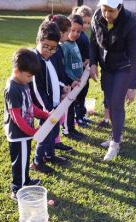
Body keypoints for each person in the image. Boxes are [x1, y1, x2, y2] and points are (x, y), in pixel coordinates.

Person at [90, 0, 136, 161]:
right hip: (107, 67)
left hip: (124, 67)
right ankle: (115, 135)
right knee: (108, 102)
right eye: (104, 9)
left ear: (120, 7)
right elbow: (93, 41)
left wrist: (132, 86)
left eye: (111, 11)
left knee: (116, 103)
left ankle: (115, 143)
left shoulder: (130, 22)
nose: (106, 15)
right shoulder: (97, 16)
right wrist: (93, 63)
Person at [4, 48, 50, 201]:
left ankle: (26, 181)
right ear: (17, 71)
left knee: (25, 158)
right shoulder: (13, 88)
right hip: (19, 135)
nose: (31, 79)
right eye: (29, 76)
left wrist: (44, 114)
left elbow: (30, 107)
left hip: (26, 132)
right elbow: (16, 116)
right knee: (19, 162)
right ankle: (17, 189)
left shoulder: (24, 83)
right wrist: (31, 131)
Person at [30, 21, 70, 174]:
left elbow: (53, 78)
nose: (49, 51)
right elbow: (37, 88)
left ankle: (50, 155)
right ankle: (37, 161)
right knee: (45, 134)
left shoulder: (49, 58)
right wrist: (47, 109)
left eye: (53, 48)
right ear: (38, 40)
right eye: (46, 46)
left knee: (53, 132)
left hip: (53, 105)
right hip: (44, 108)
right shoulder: (35, 60)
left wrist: (62, 87)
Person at [44, 14, 74, 152]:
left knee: (59, 118)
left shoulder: (59, 48)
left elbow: (62, 70)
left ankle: (56, 141)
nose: (69, 34)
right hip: (53, 91)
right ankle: (47, 150)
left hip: (61, 88)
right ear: (61, 33)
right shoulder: (52, 51)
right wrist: (62, 87)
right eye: (68, 32)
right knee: (53, 120)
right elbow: (53, 73)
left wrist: (66, 84)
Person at [60, 14, 85, 140]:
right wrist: (70, 80)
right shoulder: (64, 45)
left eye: (78, 31)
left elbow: (74, 61)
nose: (75, 33)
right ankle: (67, 130)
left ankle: (72, 127)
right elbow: (64, 66)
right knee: (68, 108)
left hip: (76, 82)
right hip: (69, 83)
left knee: (72, 106)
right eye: (72, 30)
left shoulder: (74, 43)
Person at [72, 5, 93, 128]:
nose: (85, 25)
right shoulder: (76, 36)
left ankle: (82, 115)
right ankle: (77, 117)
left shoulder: (83, 35)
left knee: (83, 94)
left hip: (85, 72)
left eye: (88, 23)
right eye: (84, 22)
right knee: (78, 96)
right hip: (78, 73)